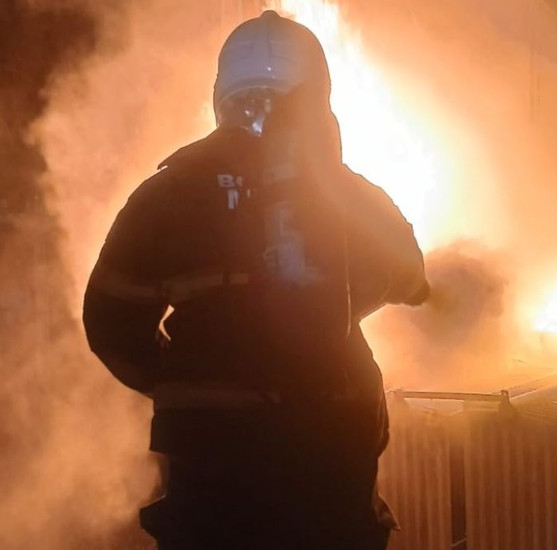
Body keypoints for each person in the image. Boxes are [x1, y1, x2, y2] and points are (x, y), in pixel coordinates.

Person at [83, 10, 429, 550]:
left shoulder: (166, 196)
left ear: (222, 96)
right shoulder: (346, 192)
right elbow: (410, 275)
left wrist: (178, 378)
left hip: (210, 484)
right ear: (317, 97)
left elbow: (109, 322)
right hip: (331, 477)